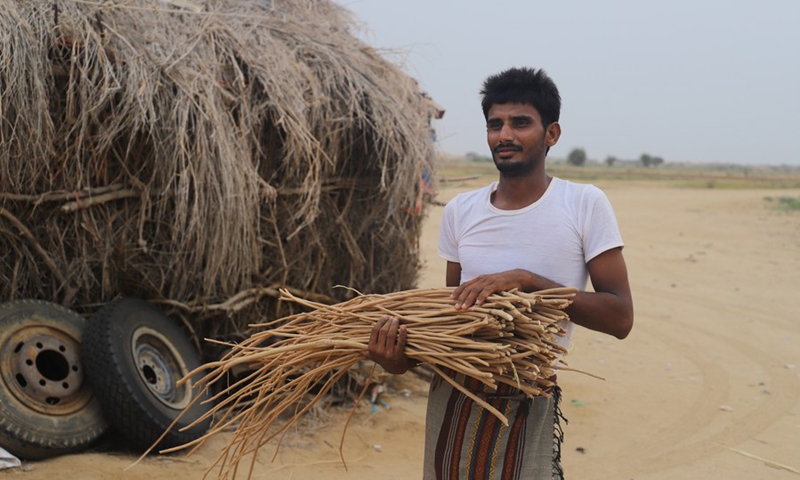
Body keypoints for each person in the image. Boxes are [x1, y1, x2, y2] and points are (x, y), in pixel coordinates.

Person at [367, 67, 634, 480]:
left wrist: (529, 281)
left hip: (527, 398)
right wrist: (398, 360)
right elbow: (452, 321)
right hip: (452, 400)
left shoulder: (583, 204)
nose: (504, 135)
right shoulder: (461, 211)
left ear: (552, 134)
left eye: (520, 123)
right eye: (495, 124)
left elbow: (620, 317)